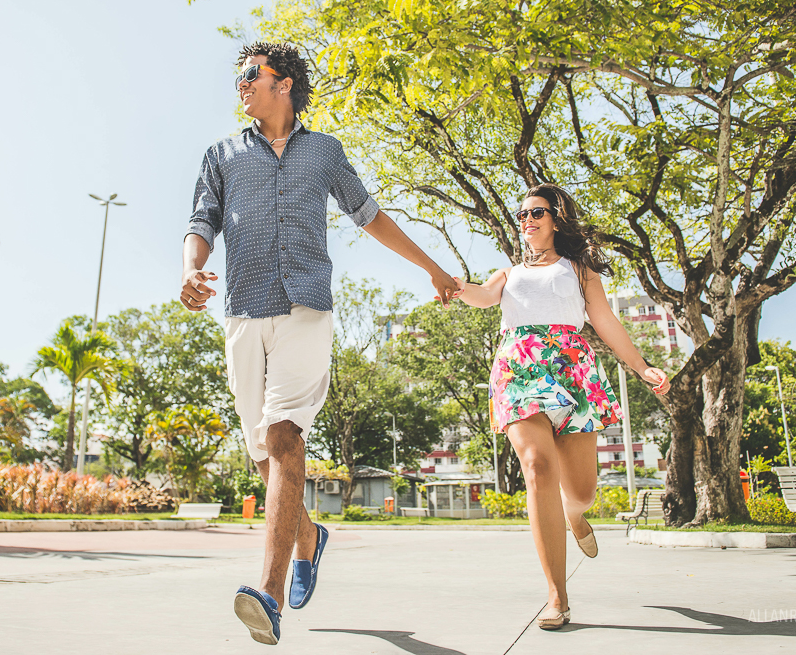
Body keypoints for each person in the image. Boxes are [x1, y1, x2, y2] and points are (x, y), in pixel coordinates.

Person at [180, 42, 459, 646]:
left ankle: (269, 594)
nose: (241, 87)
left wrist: (432, 269)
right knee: (265, 457)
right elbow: (201, 221)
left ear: (282, 84)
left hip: (307, 305)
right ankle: (307, 536)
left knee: (285, 436)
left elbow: (369, 214)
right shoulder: (221, 155)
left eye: (249, 76)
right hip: (243, 310)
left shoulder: (325, 152)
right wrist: (190, 267)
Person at [452, 183, 669, 631]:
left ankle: (574, 514)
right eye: (522, 215)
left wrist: (641, 366)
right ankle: (557, 597)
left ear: (556, 218)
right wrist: (455, 287)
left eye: (536, 212)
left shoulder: (579, 268)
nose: (527, 221)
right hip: (520, 371)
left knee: (583, 492)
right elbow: (481, 295)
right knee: (537, 467)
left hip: (574, 371)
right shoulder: (508, 274)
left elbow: (604, 319)